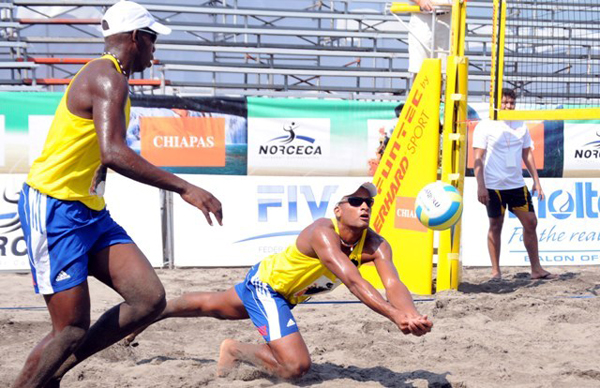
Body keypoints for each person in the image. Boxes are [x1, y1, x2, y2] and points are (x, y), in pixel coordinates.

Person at [12, 2, 223, 387]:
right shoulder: (108, 78)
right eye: (153, 39)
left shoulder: (110, 76)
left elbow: (100, 149)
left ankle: (54, 372)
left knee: (148, 299)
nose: (155, 50)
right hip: (54, 206)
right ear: (135, 38)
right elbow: (114, 150)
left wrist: (100, 166)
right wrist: (186, 187)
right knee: (70, 328)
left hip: (87, 209)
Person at [124, 182, 433, 380]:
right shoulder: (322, 233)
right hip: (267, 287)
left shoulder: (376, 244)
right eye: (355, 200)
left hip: (283, 293)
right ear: (338, 210)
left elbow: (393, 284)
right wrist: (395, 316)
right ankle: (235, 350)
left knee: (212, 305)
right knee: (295, 366)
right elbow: (352, 281)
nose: (364, 206)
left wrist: (410, 315)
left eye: (368, 202)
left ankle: (157, 311)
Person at [473, 89, 556, 281]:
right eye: (505, 103)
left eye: (511, 103)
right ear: (496, 104)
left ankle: (536, 269)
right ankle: (495, 272)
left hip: (516, 184)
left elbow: (527, 153)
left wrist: (536, 181)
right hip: (493, 185)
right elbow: (478, 158)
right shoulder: (485, 126)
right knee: (495, 225)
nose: (508, 106)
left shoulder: (521, 125)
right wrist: (481, 186)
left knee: (531, 222)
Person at [408, 0, 452, 77]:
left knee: (444, 69)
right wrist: (420, 1)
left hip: (449, 16)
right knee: (420, 68)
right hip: (422, 16)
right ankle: (420, 89)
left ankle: (439, 89)